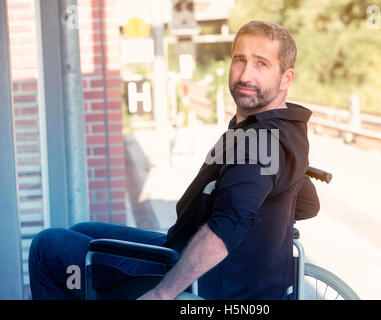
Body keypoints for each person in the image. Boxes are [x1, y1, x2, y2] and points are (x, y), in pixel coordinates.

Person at [28, 20, 320, 300]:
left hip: (197, 279)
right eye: (239, 60)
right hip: (199, 252)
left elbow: (226, 226)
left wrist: (162, 293)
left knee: (46, 246)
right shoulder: (286, 129)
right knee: (82, 232)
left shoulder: (256, 144)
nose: (245, 75)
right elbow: (307, 204)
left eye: (261, 64)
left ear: (286, 79)